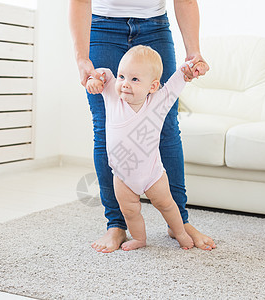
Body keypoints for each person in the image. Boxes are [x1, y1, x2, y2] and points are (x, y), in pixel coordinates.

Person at [69, 0, 216, 252]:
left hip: (155, 26)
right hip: (103, 28)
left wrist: (194, 53)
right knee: (104, 128)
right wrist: (82, 58)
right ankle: (116, 225)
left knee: (167, 126)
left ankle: (178, 222)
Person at [87, 45, 197, 250]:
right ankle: (139, 238)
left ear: (153, 86)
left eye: (135, 79)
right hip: (122, 175)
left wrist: (190, 66)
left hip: (152, 173)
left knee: (166, 204)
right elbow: (104, 74)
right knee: (129, 210)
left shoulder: (159, 102)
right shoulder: (112, 96)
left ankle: (180, 231)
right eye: (122, 76)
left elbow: (176, 82)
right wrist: (95, 79)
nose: (125, 84)